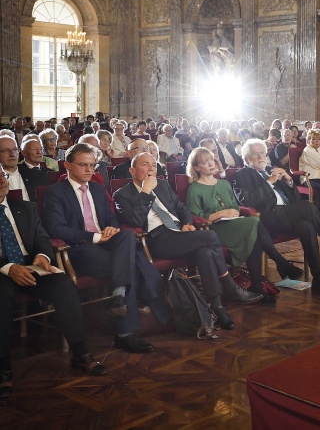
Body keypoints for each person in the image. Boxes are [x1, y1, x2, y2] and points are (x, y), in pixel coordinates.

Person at [43, 143, 168, 354]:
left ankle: (119, 294)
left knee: (127, 234)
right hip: (79, 248)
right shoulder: (55, 192)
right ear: (67, 165)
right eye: (83, 165)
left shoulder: (98, 189)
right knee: (132, 261)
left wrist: (111, 229)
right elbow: (56, 229)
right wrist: (94, 237)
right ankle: (125, 333)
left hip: (107, 244)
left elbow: (111, 218)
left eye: (92, 165)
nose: (90, 170)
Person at [113, 153, 264, 327]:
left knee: (206, 253)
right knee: (210, 236)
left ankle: (217, 307)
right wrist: (146, 192)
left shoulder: (161, 184)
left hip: (178, 232)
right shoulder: (122, 194)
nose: (150, 169)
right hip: (156, 239)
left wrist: (186, 223)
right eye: (145, 164)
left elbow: (181, 208)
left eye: (153, 165)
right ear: (132, 170)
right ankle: (229, 285)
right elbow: (135, 221)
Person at [0, 165, 106, 399]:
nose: (1, 180)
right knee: (2, 297)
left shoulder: (24, 208)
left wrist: (42, 256)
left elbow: (42, 238)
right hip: (2, 270)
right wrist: (9, 267)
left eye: (2, 175)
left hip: (31, 265)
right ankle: (3, 367)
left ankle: (80, 352)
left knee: (64, 285)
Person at [232, 139, 320, 298]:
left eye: (263, 153)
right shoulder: (242, 175)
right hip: (266, 219)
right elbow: (249, 201)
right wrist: (269, 182)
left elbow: (294, 198)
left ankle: (319, 278)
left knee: (307, 226)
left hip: (286, 215)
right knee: (307, 206)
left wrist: (288, 181)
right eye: (256, 154)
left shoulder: (270, 169)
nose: (261, 156)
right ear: (246, 158)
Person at [185, 148, 302, 298]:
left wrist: (233, 212)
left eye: (211, 160)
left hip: (234, 223)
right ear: (196, 167)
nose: (210, 164)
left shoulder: (223, 184)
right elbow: (196, 218)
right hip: (213, 230)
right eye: (204, 162)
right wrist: (219, 214)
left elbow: (235, 206)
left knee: (255, 239)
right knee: (254, 222)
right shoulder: (194, 189)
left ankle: (259, 289)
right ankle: (281, 263)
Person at [17, 138, 50, 202]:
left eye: (41, 149)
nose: (39, 152)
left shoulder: (50, 172)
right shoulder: (17, 172)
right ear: (24, 153)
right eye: (34, 149)